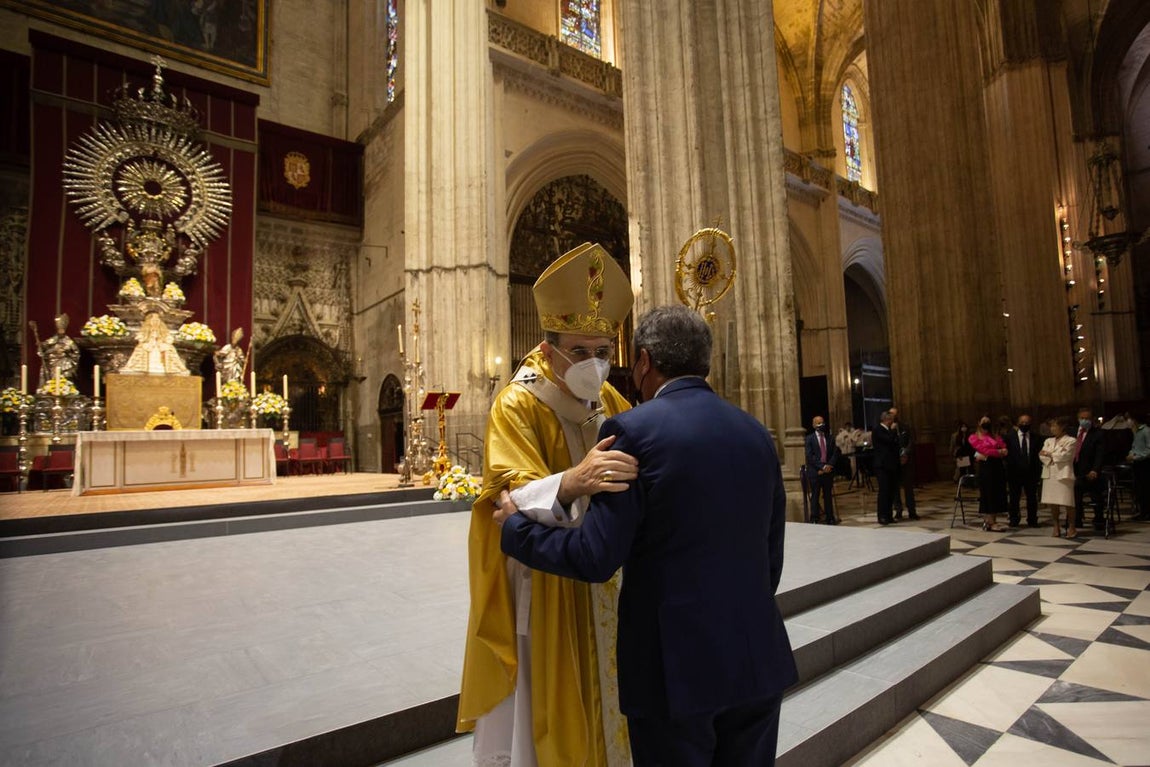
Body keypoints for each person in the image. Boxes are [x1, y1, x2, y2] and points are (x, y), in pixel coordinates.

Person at [496, 305, 797, 766]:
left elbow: (596, 557)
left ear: (642, 361)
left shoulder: (632, 430)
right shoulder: (755, 433)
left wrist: (518, 530)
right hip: (757, 660)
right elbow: (770, 560)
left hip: (674, 672)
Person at [458, 242, 637, 767]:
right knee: (550, 691)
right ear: (548, 346)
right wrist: (570, 483)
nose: (595, 364)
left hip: (605, 567)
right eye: (580, 352)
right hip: (548, 575)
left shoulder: (608, 399)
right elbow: (506, 493)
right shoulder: (518, 402)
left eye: (603, 351)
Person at [969, 416, 1009, 532]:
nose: (986, 423)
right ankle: (991, 522)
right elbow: (983, 451)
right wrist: (997, 452)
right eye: (984, 421)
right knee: (988, 493)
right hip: (986, 469)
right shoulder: (974, 437)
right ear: (979, 423)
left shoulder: (994, 436)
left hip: (997, 467)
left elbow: (1004, 449)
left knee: (997, 493)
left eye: (988, 421)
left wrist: (999, 451)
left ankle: (991, 520)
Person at [1040, 416, 1078, 538]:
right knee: (1053, 502)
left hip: (1064, 474)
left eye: (1054, 426)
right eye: (1051, 426)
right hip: (1050, 473)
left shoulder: (1071, 440)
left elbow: (1065, 456)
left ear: (1062, 427)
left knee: (1068, 502)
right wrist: (1051, 455)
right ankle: (1056, 526)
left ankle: (1072, 527)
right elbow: (1041, 455)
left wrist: (1050, 454)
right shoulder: (1048, 441)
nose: (1052, 428)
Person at [121, 312, 190, 375]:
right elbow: (141, 338)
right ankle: (138, 367)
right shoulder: (145, 330)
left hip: (160, 346)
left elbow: (169, 338)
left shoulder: (163, 330)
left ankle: (171, 368)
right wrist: (150, 340)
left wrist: (162, 341)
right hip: (149, 345)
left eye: (157, 320)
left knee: (169, 348)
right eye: (153, 320)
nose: (155, 322)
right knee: (141, 348)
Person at [1005, 413, 1042, 527]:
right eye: (1022, 422)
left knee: (1031, 498)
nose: (1024, 424)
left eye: (1027, 423)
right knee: (1014, 498)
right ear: (1018, 423)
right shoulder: (1009, 437)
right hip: (1014, 472)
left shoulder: (1036, 437)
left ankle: (1032, 519)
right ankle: (1014, 518)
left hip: (1031, 472)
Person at [1072, 407, 1106, 532]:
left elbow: (1100, 454)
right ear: (1078, 419)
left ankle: (1098, 519)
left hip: (1090, 471)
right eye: (1082, 418)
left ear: (1092, 420)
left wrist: (1095, 470)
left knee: (1096, 496)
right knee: (1075, 496)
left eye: (1087, 419)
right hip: (1075, 470)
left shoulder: (1098, 434)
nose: (1084, 421)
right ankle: (1077, 519)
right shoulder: (1072, 432)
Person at [805, 414, 840, 524]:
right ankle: (814, 517)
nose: (821, 425)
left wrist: (829, 465)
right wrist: (822, 466)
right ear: (814, 425)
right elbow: (810, 456)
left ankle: (830, 517)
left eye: (822, 422)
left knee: (828, 495)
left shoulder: (830, 438)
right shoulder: (809, 438)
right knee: (815, 495)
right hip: (816, 471)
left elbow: (835, 453)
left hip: (828, 471)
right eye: (818, 423)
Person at [32, 314, 81, 388]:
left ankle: (64, 390)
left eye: (62, 330)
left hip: (64, 363)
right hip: (51, 363)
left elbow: (76, 353)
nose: (61, 331)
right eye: (59, 329)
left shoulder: (69, 341)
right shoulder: (53, 339)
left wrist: (69, 361)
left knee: (64, 378)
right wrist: (40, 345)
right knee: (51, 378)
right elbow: (44, 345)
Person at [888, 406, 918, 520]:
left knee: (908, 488)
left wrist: (906, 453)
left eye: (895, 414)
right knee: (895, 488)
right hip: (894, 462)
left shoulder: (906, 427)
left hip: (906, 460)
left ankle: (912, 511)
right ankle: (898, 510)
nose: (893, 416)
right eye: (891, 414)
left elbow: (911, 441)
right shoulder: (888, 429)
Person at [872, 410, 900, 525]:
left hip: (891, 465)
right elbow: (888, 440)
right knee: (884, 491)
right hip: (882, 465)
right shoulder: (878, 430)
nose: (892, 421)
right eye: (891, 419)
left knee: (891, 491)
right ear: (886, 419)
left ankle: (889, 515)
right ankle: (882, 516)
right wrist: (893, 430)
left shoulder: (889, 430)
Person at [1127, 412, 1149, 522]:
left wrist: (1136, 457)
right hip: (1137, 463)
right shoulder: (1136, 431)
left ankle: (1146, 512)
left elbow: (1148, 449)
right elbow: (1134, 446)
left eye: (1129, 418)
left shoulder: (1146, 431)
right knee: (1139, 489)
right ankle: (1142, 511)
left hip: (1145, 463)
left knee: (1145, 488)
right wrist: (1131, 454)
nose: (1128, 421)